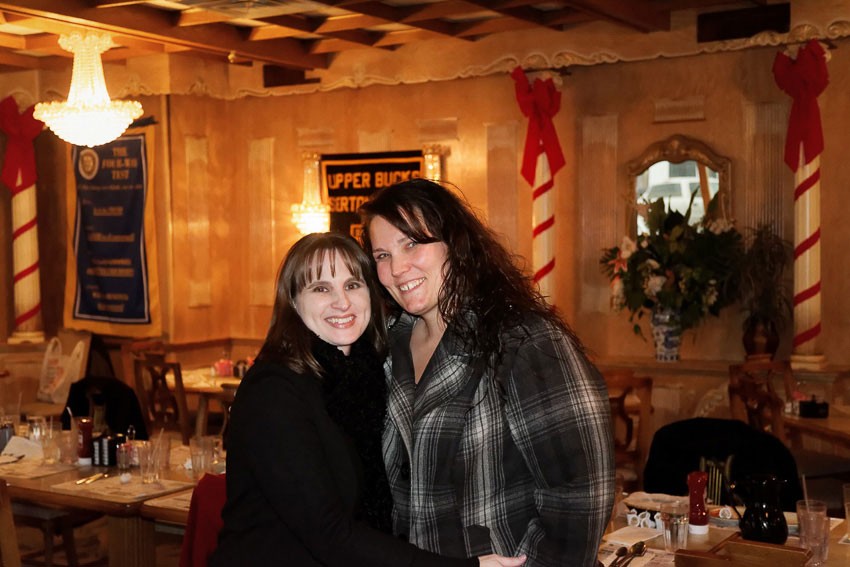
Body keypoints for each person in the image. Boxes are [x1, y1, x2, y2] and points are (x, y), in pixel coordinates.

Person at [210, 232, 525, 567]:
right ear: (293, 302)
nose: (342, 302)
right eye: (321, 289)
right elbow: (330, 534)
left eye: (352, 285)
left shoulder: (367, 378)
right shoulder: (273, 390)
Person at [360, 180, 615, 567]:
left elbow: (582, 495)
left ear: (455, 242)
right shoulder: (387, 349)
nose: (396, 269)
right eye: (382, 255)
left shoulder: (523, 341)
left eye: (411, 244)